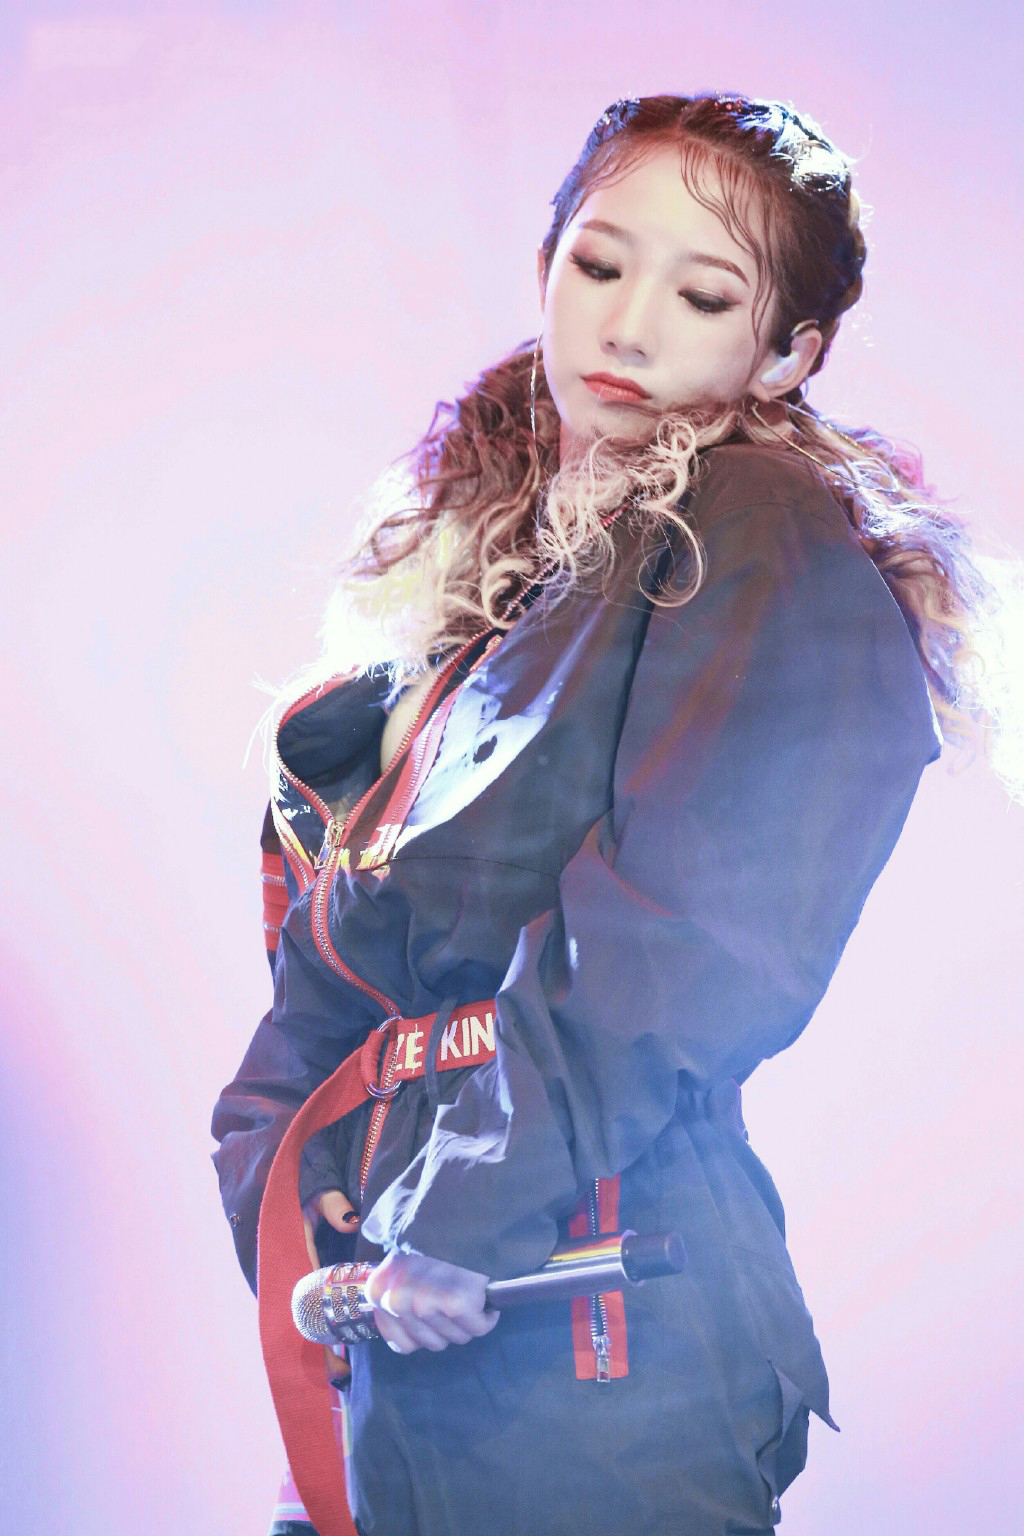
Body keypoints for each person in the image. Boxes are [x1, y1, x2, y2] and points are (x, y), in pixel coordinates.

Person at [212, 94, 1003, 1536]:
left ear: (787, 353)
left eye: (702, 297)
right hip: (398, 1331)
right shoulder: (489, 596)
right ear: (547, 266)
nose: (628, 327)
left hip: (595, 1331)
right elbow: (330, 970)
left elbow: (689, 948)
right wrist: (295, 1204)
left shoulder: (753, 526)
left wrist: (441, 1216)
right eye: (598, 264)